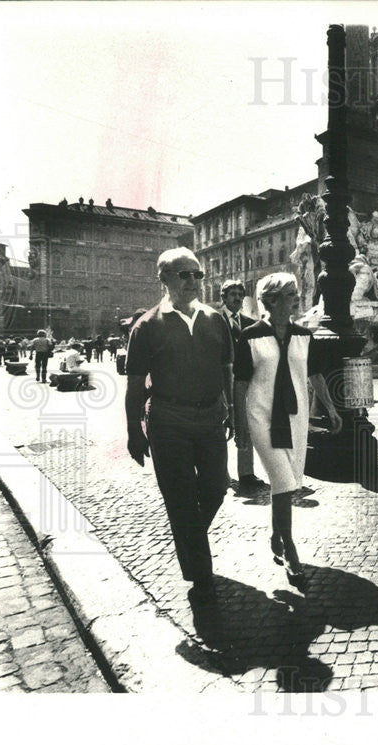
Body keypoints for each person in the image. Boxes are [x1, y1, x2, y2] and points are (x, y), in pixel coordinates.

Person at [124, 248, 233, 604]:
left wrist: (232, 410)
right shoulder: (147, 326)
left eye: (197, 274)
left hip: (211, 419)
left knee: (217, 487)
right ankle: (202, 577)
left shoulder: (216, 319)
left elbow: (227, 371)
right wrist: (133, 432)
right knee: (182, 498)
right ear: (164, 279)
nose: (192, 281)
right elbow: (136, 385)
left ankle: (187, 540)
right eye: (183, 274)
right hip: (168, 422)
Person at [233, 273, 342, 587]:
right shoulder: (250, 336)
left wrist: (331, 409)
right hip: (261, 417)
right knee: (282, 480)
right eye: (291, 294)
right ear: (271, 300)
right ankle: (291, 549)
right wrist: (241, 427)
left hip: (296, 417)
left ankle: (276, 535)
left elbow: (316, 375)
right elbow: (240, 385)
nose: (297, 298)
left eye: (296, 293)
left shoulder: (305, 336)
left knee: (287, 484)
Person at [218, 278, 266, 492]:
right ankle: (220, 473)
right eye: (232, 295)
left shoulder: (248, 323)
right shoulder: (214, 320)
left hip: (244, 381)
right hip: (220, 382)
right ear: (224, 297)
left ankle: (246, 473)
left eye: (240, 295)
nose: (237, 299)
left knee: (246, 424)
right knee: (221, 426)